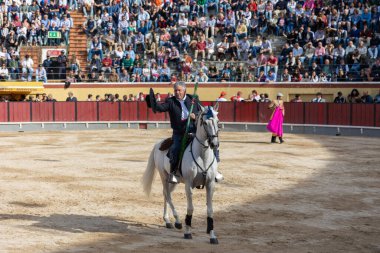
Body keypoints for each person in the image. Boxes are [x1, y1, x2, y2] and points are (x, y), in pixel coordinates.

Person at [148, 82, 223, 184]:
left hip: (195, 131)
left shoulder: (193, 99)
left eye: (179, 90)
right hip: (179, 133)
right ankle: (174, 173)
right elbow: (159, 108)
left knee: (212, 143)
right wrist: (152, 101)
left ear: (184, 91)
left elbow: (203, 112)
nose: (177, 92)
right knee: (175, 148)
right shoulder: (171, 101)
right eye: (175, 90)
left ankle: (215, 170)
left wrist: (195, 117)